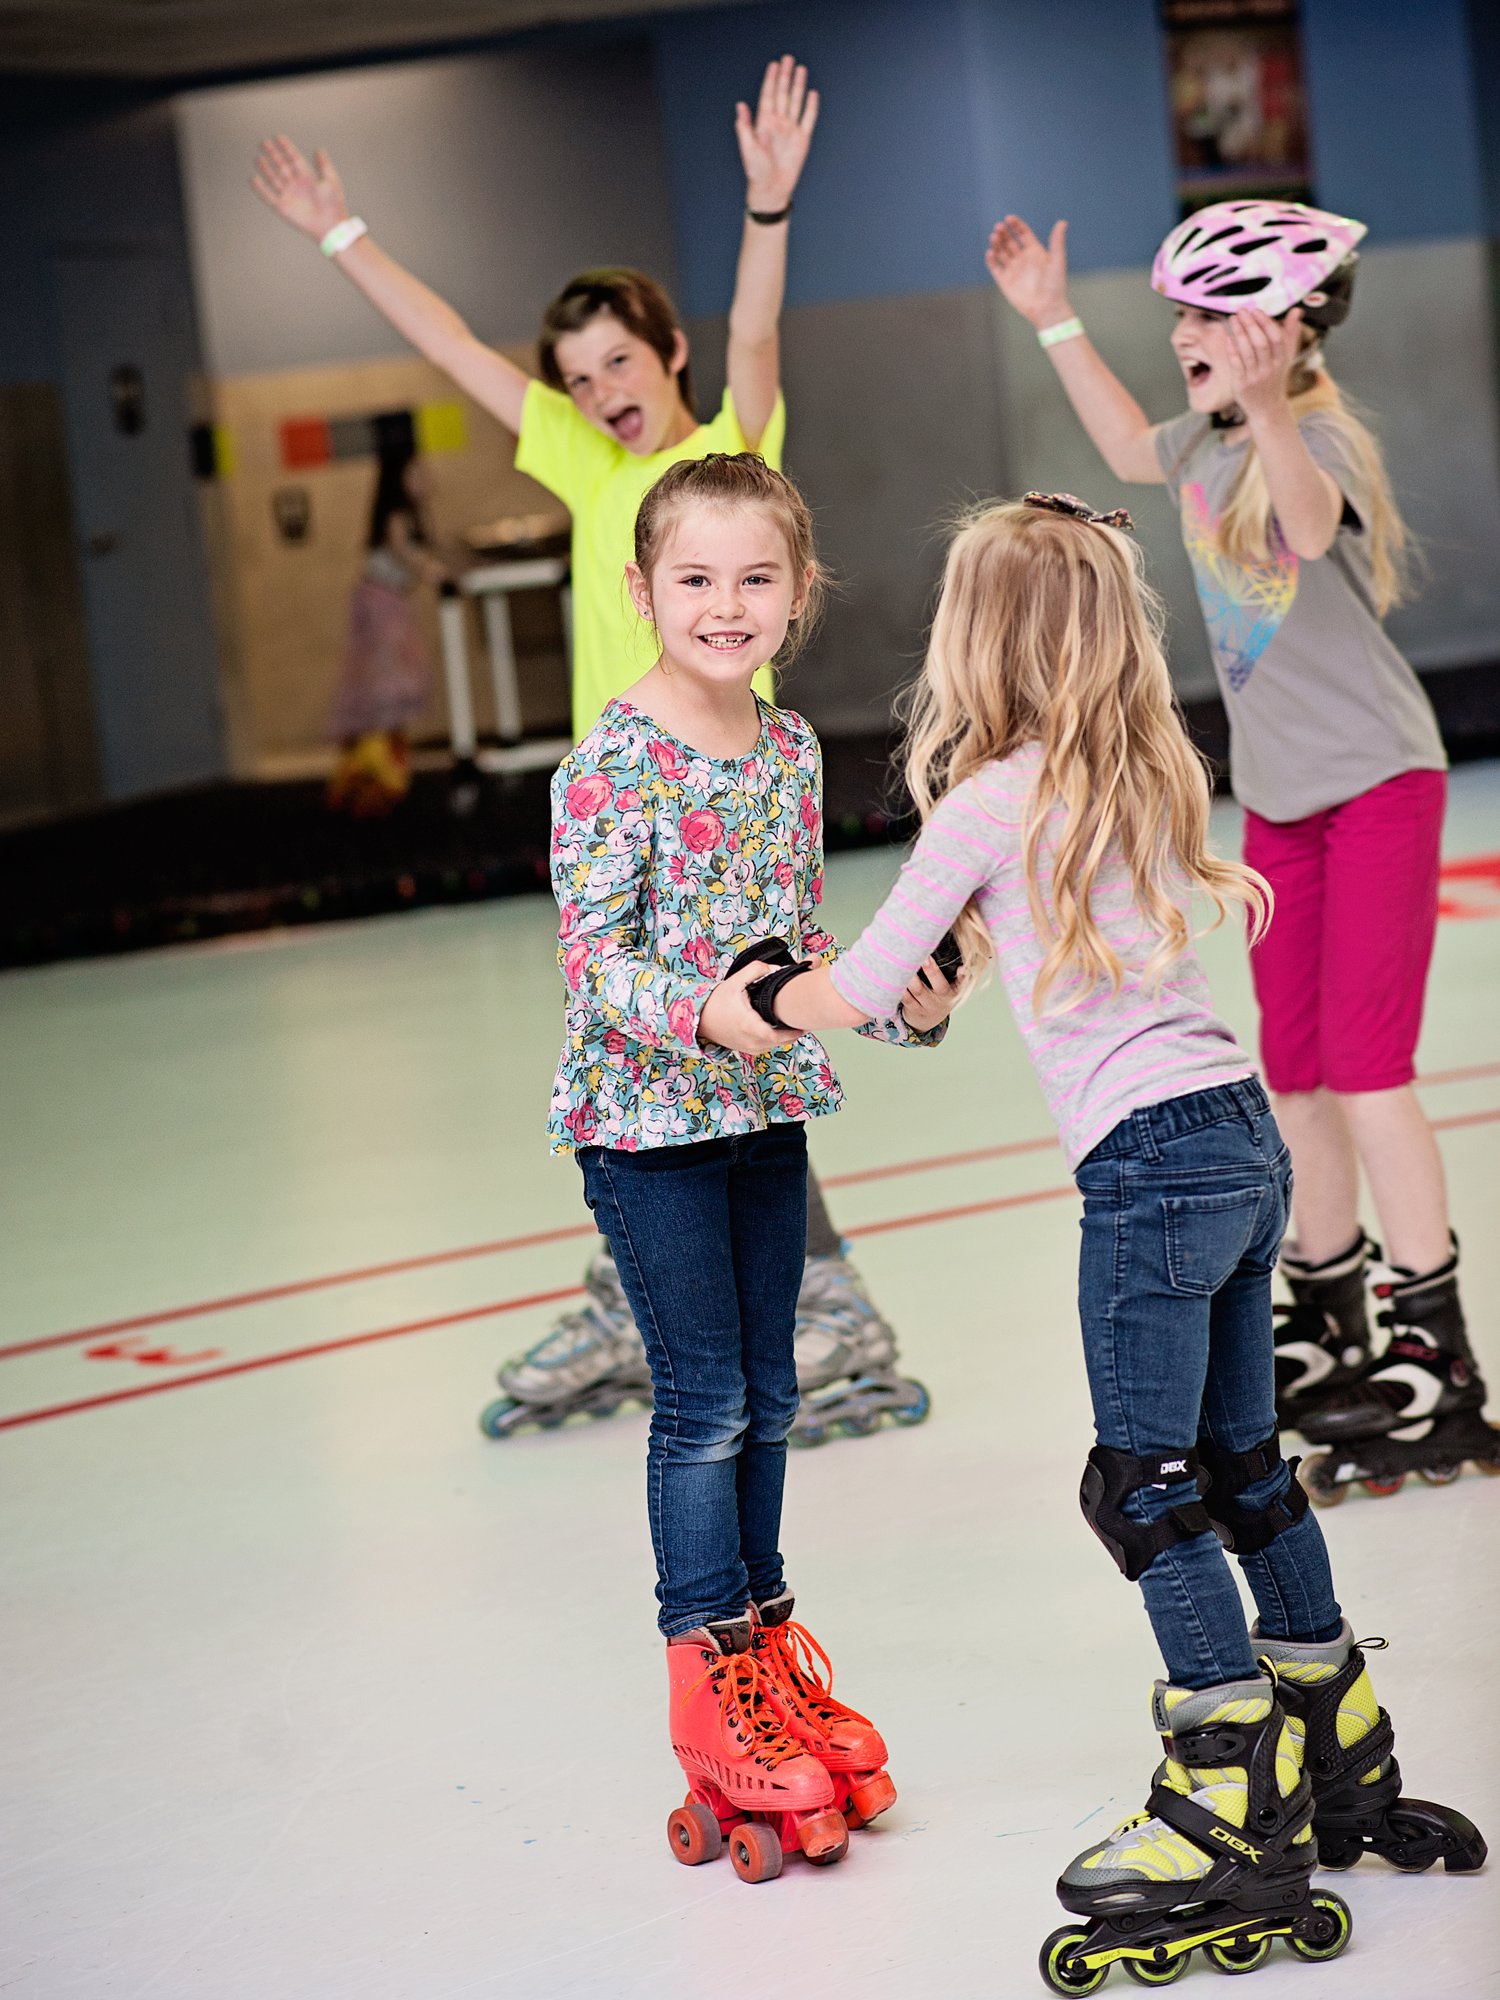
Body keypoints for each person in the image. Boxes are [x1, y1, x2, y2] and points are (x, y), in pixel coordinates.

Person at [725, 496, 1483, 1967]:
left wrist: (752, 1004)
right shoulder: (1133, 772)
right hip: (1240, 1138)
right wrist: (931, 982)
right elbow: (972, 964)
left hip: (1146, 1169)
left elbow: (871, 976)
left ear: (979, 636)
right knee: (1243, 1467)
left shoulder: (987, 799)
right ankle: (1341, 1741)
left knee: (1141, 1488)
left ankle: (1229, 1783)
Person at [251, 58, 925, 1443]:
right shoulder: (573, 460)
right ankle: (650, 1287)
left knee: (737, 1043)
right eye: (575, 374)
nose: (599, 387)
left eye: (620, 359)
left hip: (726, 807)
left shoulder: (734, 447)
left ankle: (818, 1296)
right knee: (630, 1058)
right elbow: (447, 345)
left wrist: (769, 210)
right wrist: (338, 234)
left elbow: (753, 335)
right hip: (620, 807)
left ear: (664, 354)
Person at [985, 199, 1498, 1502]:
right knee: (1300, 1072)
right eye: (1182, 314)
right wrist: (1052, 311)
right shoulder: (1203, 442)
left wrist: (1273, 402)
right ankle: (1331, 1327)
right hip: (1281, 800)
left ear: (1282, 326)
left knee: (1371, 1068)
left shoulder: (1304, 435)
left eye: (1211, 315)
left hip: (1381, 782)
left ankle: (1439, 1356)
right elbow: (1116, 437)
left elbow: (1314, 525)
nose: (1185, 336)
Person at [549, 451, 954, 1880]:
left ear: (799, 592)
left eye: (757, 578)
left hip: (760, 1113)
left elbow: (794, 947)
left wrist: (901, 992)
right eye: (697, 578)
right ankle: (704, 1684)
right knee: (706, 1401)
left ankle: (767, 1649)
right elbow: (601, 971)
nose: (727, 604)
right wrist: (734, 1007)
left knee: (775, 1387)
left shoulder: (785, 750)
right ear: (642, 588)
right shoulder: (607, 760)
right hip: (645, 1132)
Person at [326, 440, 451, 816]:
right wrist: (432, 570)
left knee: (392, 684)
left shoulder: (413, 513)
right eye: (415, 472)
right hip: (380, 605)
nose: (422, 478)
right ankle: (370, 775)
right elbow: (404, 553)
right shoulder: (396, 514)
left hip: (390, 602)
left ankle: (381, 772)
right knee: (383, 683)